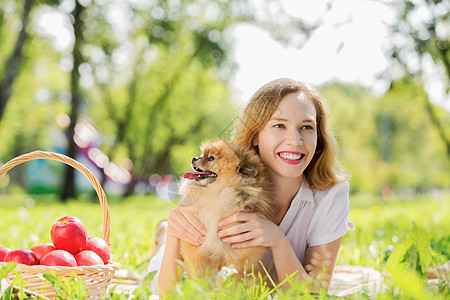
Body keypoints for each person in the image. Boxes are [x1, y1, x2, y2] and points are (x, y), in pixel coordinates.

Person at [148, 78, 354, 296]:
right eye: (279, 125)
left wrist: (277, 240)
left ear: (318, 137)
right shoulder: (216, 182)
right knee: (165, 243)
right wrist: (172, 235)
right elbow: (166, 293)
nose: (295, 140)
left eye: (306, 127)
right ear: (256, 135)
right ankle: (162, 235)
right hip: (183, 271)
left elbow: (313, 295)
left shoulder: (331, 196)